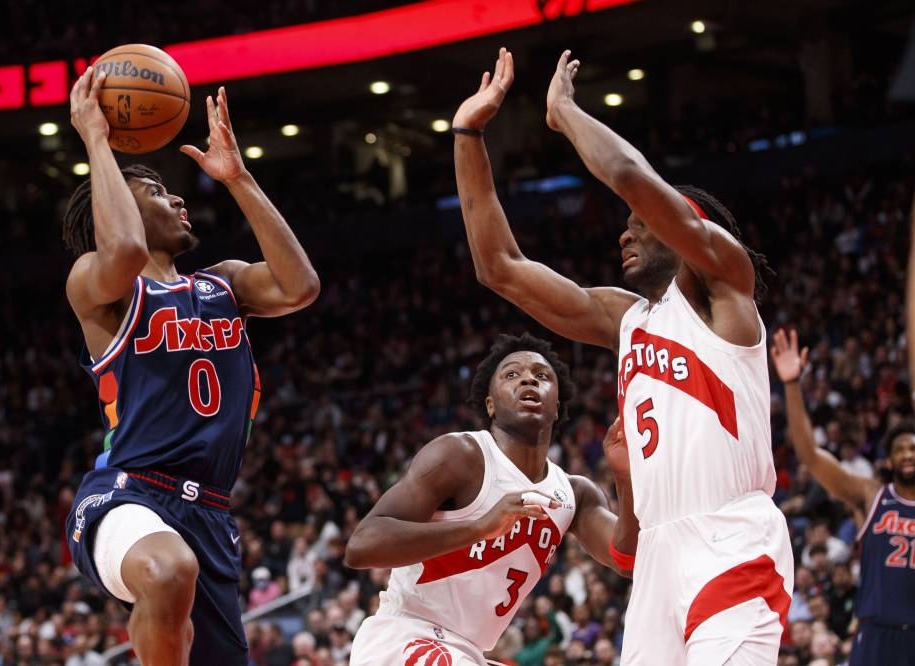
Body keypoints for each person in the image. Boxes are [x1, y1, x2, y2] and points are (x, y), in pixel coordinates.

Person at [451, 47, 792, 664]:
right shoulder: (627, 318)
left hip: (731, 538)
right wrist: (469, 134)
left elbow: (633, 176)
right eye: (626, 223)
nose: (624, 232)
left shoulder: (726, 291)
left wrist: (565, 112)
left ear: (689, 229)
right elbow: (499, 268)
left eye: (641, 224)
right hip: (660, 556)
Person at [61, 67, 320, 665]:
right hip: (127, 495)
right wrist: (96, 139)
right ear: (118, 206)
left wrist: (239, 178)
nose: (177, 197)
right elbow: (122, 250)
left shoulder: (222, 283)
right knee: (168, 569)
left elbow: (301, 285)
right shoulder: (98, 287)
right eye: (154, 190)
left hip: (211, 511)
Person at [345, 333, 638, 665]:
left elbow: (626, 560)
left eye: (542, 376)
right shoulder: (460, 456)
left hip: (469, 651)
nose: (528, 377)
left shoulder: (575, 494)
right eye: (511, 374)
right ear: (490, 404)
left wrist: (626, 479)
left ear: (557, 405)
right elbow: (361, 545)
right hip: (407, 635)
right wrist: (480, 527)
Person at [771, 328, 915, 665]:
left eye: (913, 448)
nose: (908, 454)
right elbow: (810, 455)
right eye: (900, 450)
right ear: (890, 460)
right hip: (877, 632)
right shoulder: (872, 496)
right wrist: (792, 385)